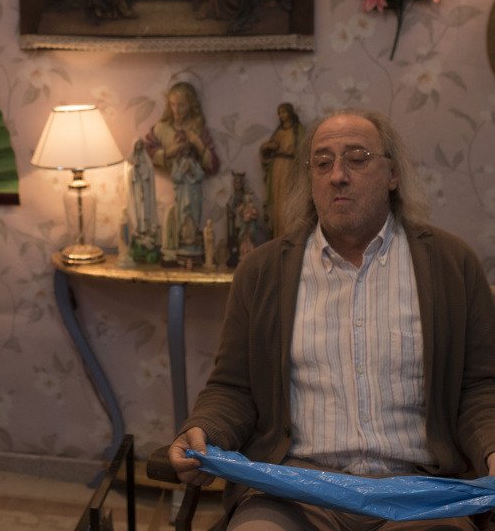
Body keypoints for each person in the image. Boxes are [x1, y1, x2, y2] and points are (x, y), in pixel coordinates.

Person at [167, 108, 495, 530]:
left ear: (392, 173)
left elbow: (478, 388)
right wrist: (204, 429)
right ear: (310, 181)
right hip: (293, 491)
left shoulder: (452, 264)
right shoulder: (262, 271)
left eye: (357, 159)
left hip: (419, 494)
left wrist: (491, 446)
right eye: (322, 163)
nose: (338, 175)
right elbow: (234, 387)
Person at [142, 82, 219, 257]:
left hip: (193, 185)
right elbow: (148, 152)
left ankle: (190, 241)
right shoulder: (162, 129)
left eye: (181, 105)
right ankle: (183, 240)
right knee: (179, 214)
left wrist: (198, 144)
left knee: (192, 215)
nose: (176, 110)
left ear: (191, 105)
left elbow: (212, 164)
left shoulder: (198, 129)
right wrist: (170, 152)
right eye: (173, 105)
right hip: (179, 185)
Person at [259, 102, 303, 239]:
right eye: (279, 113)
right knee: (276, 202)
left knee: (289, 202)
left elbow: (304, 150)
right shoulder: (278, 132)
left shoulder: (298, 131)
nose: (281, 115)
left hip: (290, 168)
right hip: (276, 169)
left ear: (290, 112)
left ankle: (289, 237)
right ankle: (277, 237)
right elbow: (267, 151)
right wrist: (266, 147)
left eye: (283, 112)